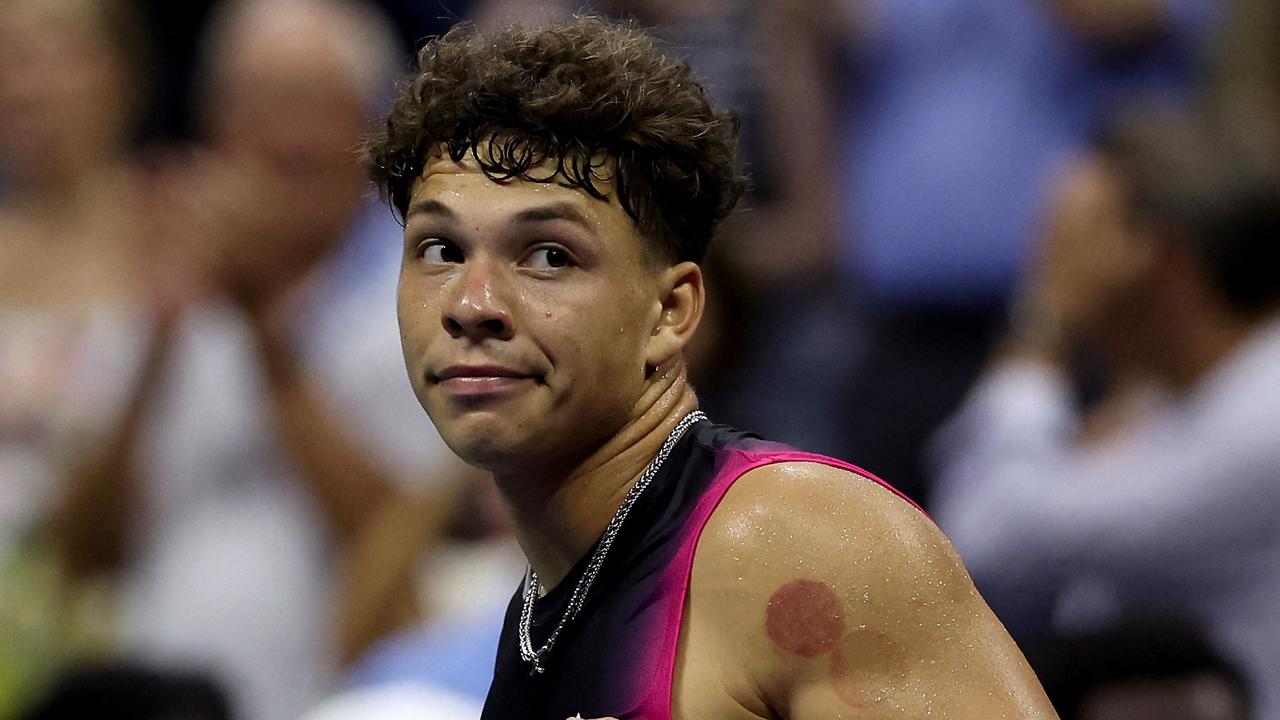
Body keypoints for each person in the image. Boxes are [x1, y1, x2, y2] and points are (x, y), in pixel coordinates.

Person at [365, 17, 1058, 719]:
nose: (473, 303)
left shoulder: (793, 542)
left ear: (670, 312)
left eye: (549, 255)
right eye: (440, 249)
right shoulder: (542, 617)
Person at [931, 107, 1280, 718]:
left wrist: (1046, 317)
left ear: (1163, 257)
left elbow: (980, 541)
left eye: (1071, 238)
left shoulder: (1262, 418)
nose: (1048, 261)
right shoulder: (1168, 397)